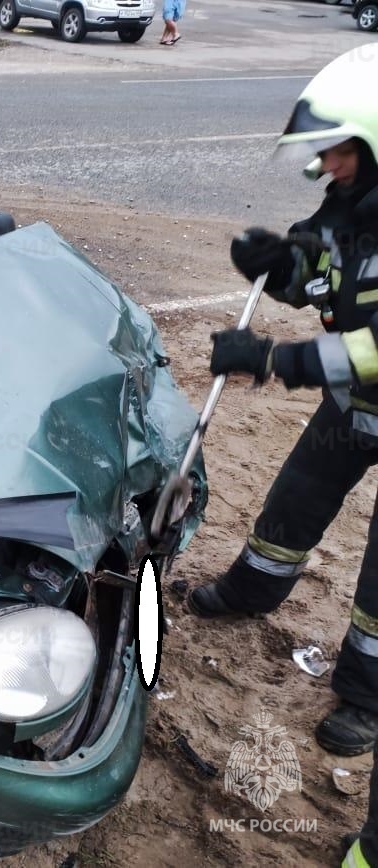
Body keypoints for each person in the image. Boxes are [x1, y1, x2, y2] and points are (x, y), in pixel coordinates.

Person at [188, 45, 378, 759]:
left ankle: (366, 696)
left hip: (364, 379)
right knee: (295, 501)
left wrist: (272, 360)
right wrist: (279, 262)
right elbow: (322, 268)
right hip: (355, 406)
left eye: (337, 150)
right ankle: (252, 590)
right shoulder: (353, 203)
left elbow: (373, 350)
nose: (324, 164)